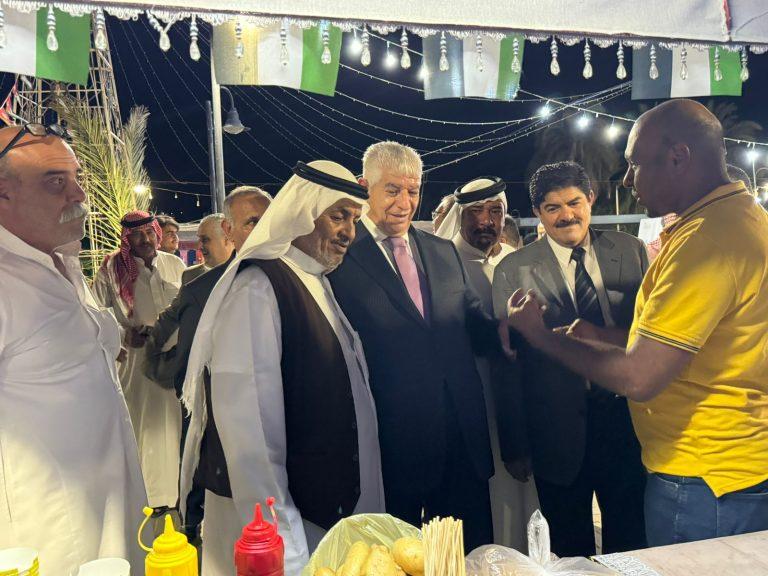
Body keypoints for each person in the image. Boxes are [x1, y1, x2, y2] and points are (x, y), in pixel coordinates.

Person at [505, 100, 768, 546]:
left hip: (704, 477)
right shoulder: (735, 219)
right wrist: (601, 337)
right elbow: (683, 341)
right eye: (552, 207)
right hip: (719, 467)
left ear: (678, 157)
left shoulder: (705, 242)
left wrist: (540, 336)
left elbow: (639, 376)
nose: (627, 179)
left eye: (634, 164)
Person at [181, 162, 384, 576]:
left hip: (328, 515)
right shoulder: (258, 287)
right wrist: (285, 554)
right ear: (303, 213)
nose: (349, 232)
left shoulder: (313, 279)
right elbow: (251, 440)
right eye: (338, 216)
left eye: (354, 219)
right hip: (288, 531)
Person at [329, 141, 511, 551]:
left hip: (461, 440)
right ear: (364, 187)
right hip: (392, 446)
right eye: (392, 190)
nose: (405, 203)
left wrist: (509, 329)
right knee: (398, 559)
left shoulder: (441, 251)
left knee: (468, 556)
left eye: (413, 191)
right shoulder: (340, 257)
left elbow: (471, 321)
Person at [0, 125, 146, 573]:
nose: (79, 195)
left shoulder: (65, 262)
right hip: (49, 529)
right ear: (3, 194)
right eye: (55, 182)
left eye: (76, 178)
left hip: (115, 503)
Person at [493, 161, 648, 557]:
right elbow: (507, 364)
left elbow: (652, 331)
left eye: (574, 202)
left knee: (633, 542)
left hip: (627, 422)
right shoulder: (513, 269)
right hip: (556, 431)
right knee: (570, 551)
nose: (566, 216)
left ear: (590, 198)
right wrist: (515, 444)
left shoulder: (630, 251)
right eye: (553, 208)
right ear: (537, 213)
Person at [150, 186, 272, 542]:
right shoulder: (198, 286)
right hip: (211, 396)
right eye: (251, 222)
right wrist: (173, 376)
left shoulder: (284, 276)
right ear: (230, 232)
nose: (201, 246)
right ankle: (192, 525)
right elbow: (183, 341)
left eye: (265, 220)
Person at [435, 177, 539, 550]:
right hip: (472, 405)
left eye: (495, 211)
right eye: (476, 212)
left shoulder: (513, 260)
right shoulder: (441, 264)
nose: (486, 221)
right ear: (459, 216)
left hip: (518, 405)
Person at [93, 211, 186, 513]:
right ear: (127, 238)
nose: (145, 239)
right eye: (137, 235)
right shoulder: (111, 269)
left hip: (172, 359)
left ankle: (176, 494)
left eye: (149, 232)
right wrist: (122, 335)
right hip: (135, 360)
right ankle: (147, 495)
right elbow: (95, 314)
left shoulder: (174, 264)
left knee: (174, 424)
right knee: (142, 425)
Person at [183, 213, 234, 284]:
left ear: (227, 239)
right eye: (199, 239)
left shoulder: (247, 272)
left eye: (205, 239)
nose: (199, 246)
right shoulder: (191, 275)